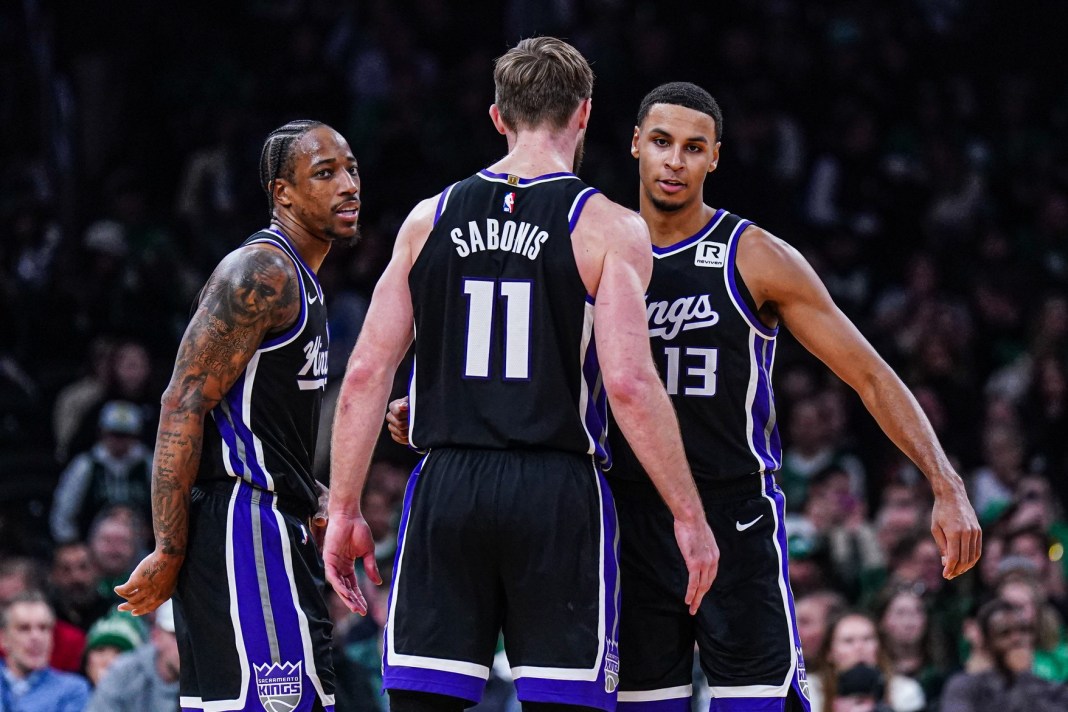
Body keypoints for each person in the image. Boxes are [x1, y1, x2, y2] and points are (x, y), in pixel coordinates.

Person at [388, 81, 982, 711]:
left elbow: (869, 373)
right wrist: (429, 404)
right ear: (637, 145)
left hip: (734, 514)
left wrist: (946, 483)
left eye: (694, 148)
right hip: (625, 519)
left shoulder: (753, 256)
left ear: (715, 158)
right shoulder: (594, 238)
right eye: (663, 143)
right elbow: (519, 369)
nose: (675, 161)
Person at [325, 37, 718, 712]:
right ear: (586, 115)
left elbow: (363, 374)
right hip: (556, 489)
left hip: (447, 482)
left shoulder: (429, 218)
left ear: (498, 117)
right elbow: (627, 383)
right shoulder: (609, 227)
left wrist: (343, 508)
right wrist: (689, 513)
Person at [114, 119, 361, 712]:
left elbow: (258, 428)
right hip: (243, 528)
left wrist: (321, 498)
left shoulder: (305, 282)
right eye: (324, 174)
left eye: (351, 168)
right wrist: (168, 549)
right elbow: (181, 402)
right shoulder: (262, 273)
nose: (348, 184)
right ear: (283, 193)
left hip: (272, 523)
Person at [50, 400, 153, 545]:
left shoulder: (149, 465)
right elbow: (63, 512)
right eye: (114, 434)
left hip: (141, 547)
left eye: (125, 435)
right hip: (92, 547)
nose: (119, 441)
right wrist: (71, 543)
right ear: (102, 433)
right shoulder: (86, 465)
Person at [940, 598, 1068, 712]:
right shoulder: (965, 687)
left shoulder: (1051, 688)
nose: (1017, 638)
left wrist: (1024, 677)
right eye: (1005, 633)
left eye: (1024, 630)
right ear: (986, 642)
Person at [0, 590, 91, 712]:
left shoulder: (73, 690)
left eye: (43, 628)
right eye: (24, 629)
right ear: (3, 638)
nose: (36, 637)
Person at [87, 599, 179, 712]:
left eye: (194, 638)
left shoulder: (205, 676)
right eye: (176, 635)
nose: (186, 645)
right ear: (156, 636)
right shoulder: (124, 673)